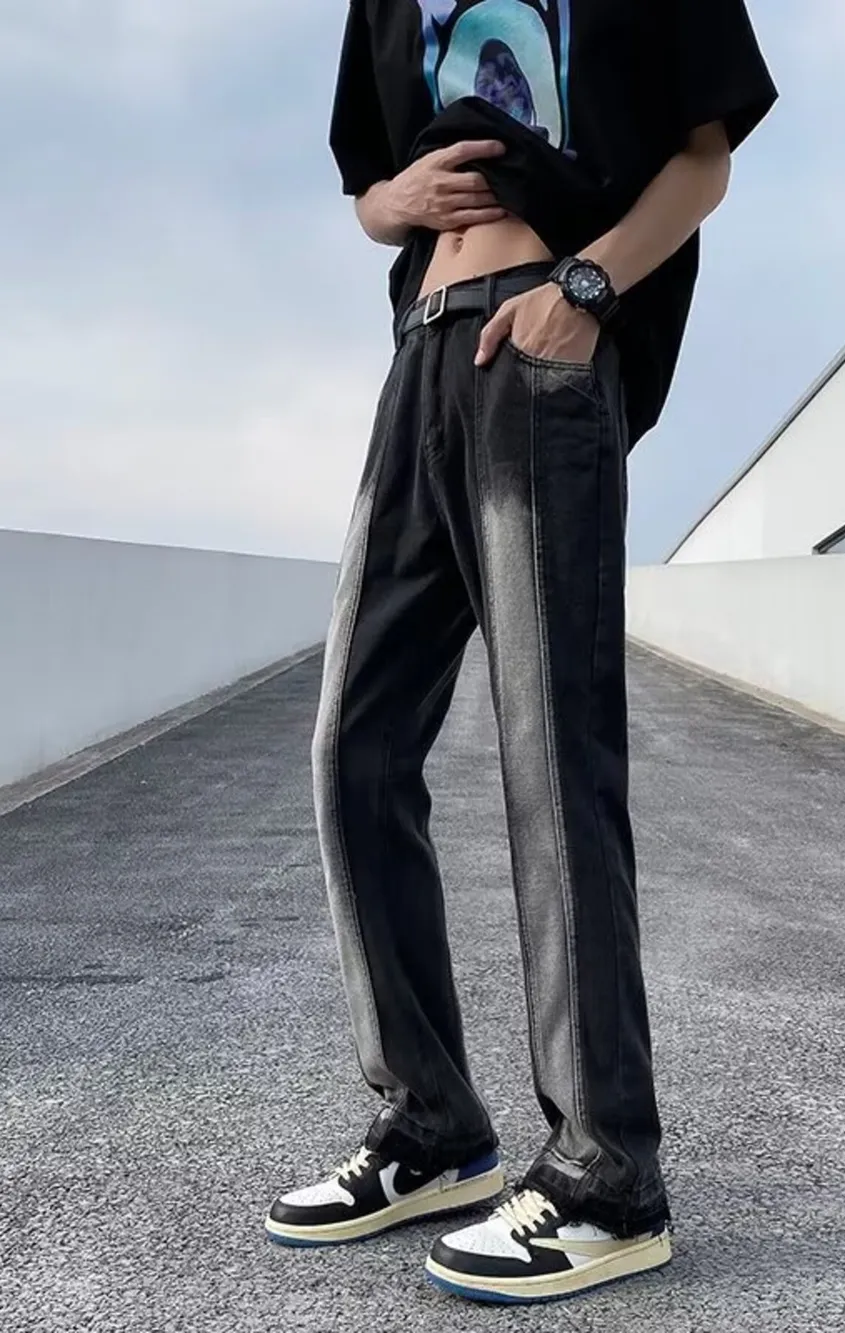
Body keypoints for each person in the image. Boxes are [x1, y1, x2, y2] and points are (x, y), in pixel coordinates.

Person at [265, 0, 777, 1304]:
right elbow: (368, 189)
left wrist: (588, 289)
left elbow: (704, 155)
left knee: (553, 755)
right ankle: (433, 1124)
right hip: (420, 356)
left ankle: (609, 1177)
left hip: (544, 344)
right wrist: (392, 204)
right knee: (352, 749)